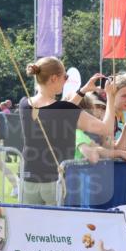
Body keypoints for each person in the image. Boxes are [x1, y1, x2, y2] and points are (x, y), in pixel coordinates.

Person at [19, 57, 118, 205]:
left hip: (27, 178)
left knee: (29, 227)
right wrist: (110, 96)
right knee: (57, 227)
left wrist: (83, 91)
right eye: (65, 77)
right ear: (54, 78)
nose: (65, 81)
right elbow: (107, 129)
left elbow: (57, 112)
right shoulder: (65, 110)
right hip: (55, 181)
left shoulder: (24, 103)